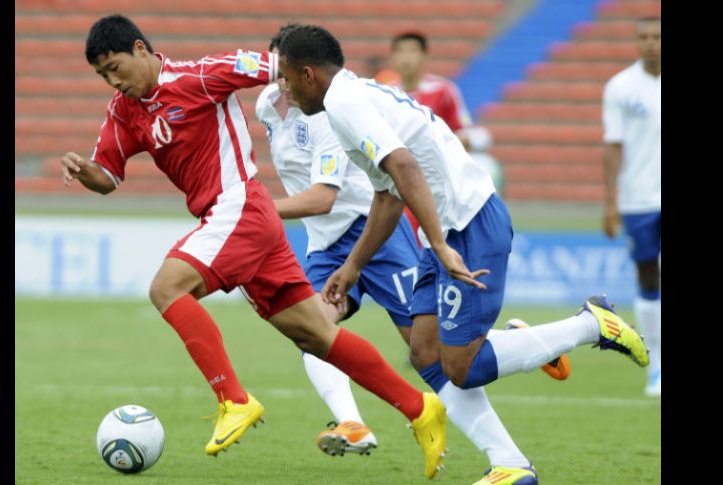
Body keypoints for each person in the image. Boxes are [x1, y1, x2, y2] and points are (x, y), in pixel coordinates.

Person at [59, 15, 450, 478]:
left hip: (238, 207)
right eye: (103, 74)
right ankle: (420, 409)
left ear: (141, 49)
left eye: (116, 67)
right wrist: (88, 174)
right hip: (238, 221)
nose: (113, 80)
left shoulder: (200, 76)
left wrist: (343, 98)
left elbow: (280, 64)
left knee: (167, 289)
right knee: (316, 335)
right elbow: (109, 176)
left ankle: (233, 400)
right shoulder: (123, 113)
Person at [278, 24, 649, 485]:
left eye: (286, 78)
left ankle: (590, 323)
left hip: (468, 222)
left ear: (307, 73)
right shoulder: (355, 97)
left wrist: (438, 245)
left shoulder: (344, 103)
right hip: (451, 225)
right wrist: (352, 267)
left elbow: (405, 166)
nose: (285, 90)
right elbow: (390, 193)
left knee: (461, 366)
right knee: (425, 353)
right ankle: (510, 465)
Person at [389, 31, 505, 238]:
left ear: (424, 56)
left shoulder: (443, 91)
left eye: (412, 51)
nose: (406, 57)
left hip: (437, 188)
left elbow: (464, 134)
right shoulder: (385, 94)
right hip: (397, 187)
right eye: (401, 51)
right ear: (393, 57)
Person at [602, 17, 661, 398]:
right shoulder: (621, 86)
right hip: (638, 199)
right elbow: (613, 145)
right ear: (636, 42)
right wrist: (610, 201)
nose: (651, 43)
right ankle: (656, 365)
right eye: (644, 37)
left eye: (657, 37)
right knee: (648, 278)